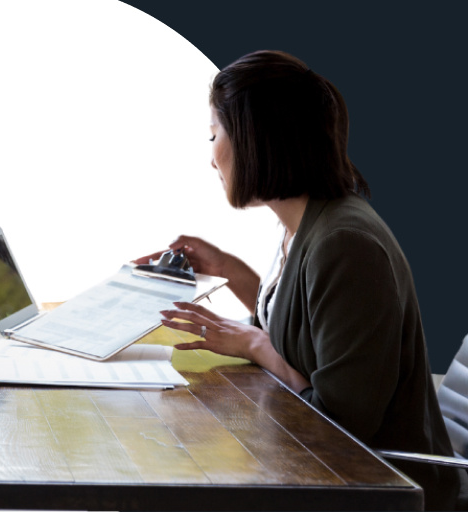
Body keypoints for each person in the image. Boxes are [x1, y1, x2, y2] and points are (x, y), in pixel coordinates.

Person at [137, 50, 464, 510]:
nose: (212, 159)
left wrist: (255, 347)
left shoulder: (345, 243)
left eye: (213, 135)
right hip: (325, 468)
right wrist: (227, 268)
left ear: (255, 141)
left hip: (374, 484)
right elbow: (297, 333)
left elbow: (340, 426)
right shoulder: (305, 223)